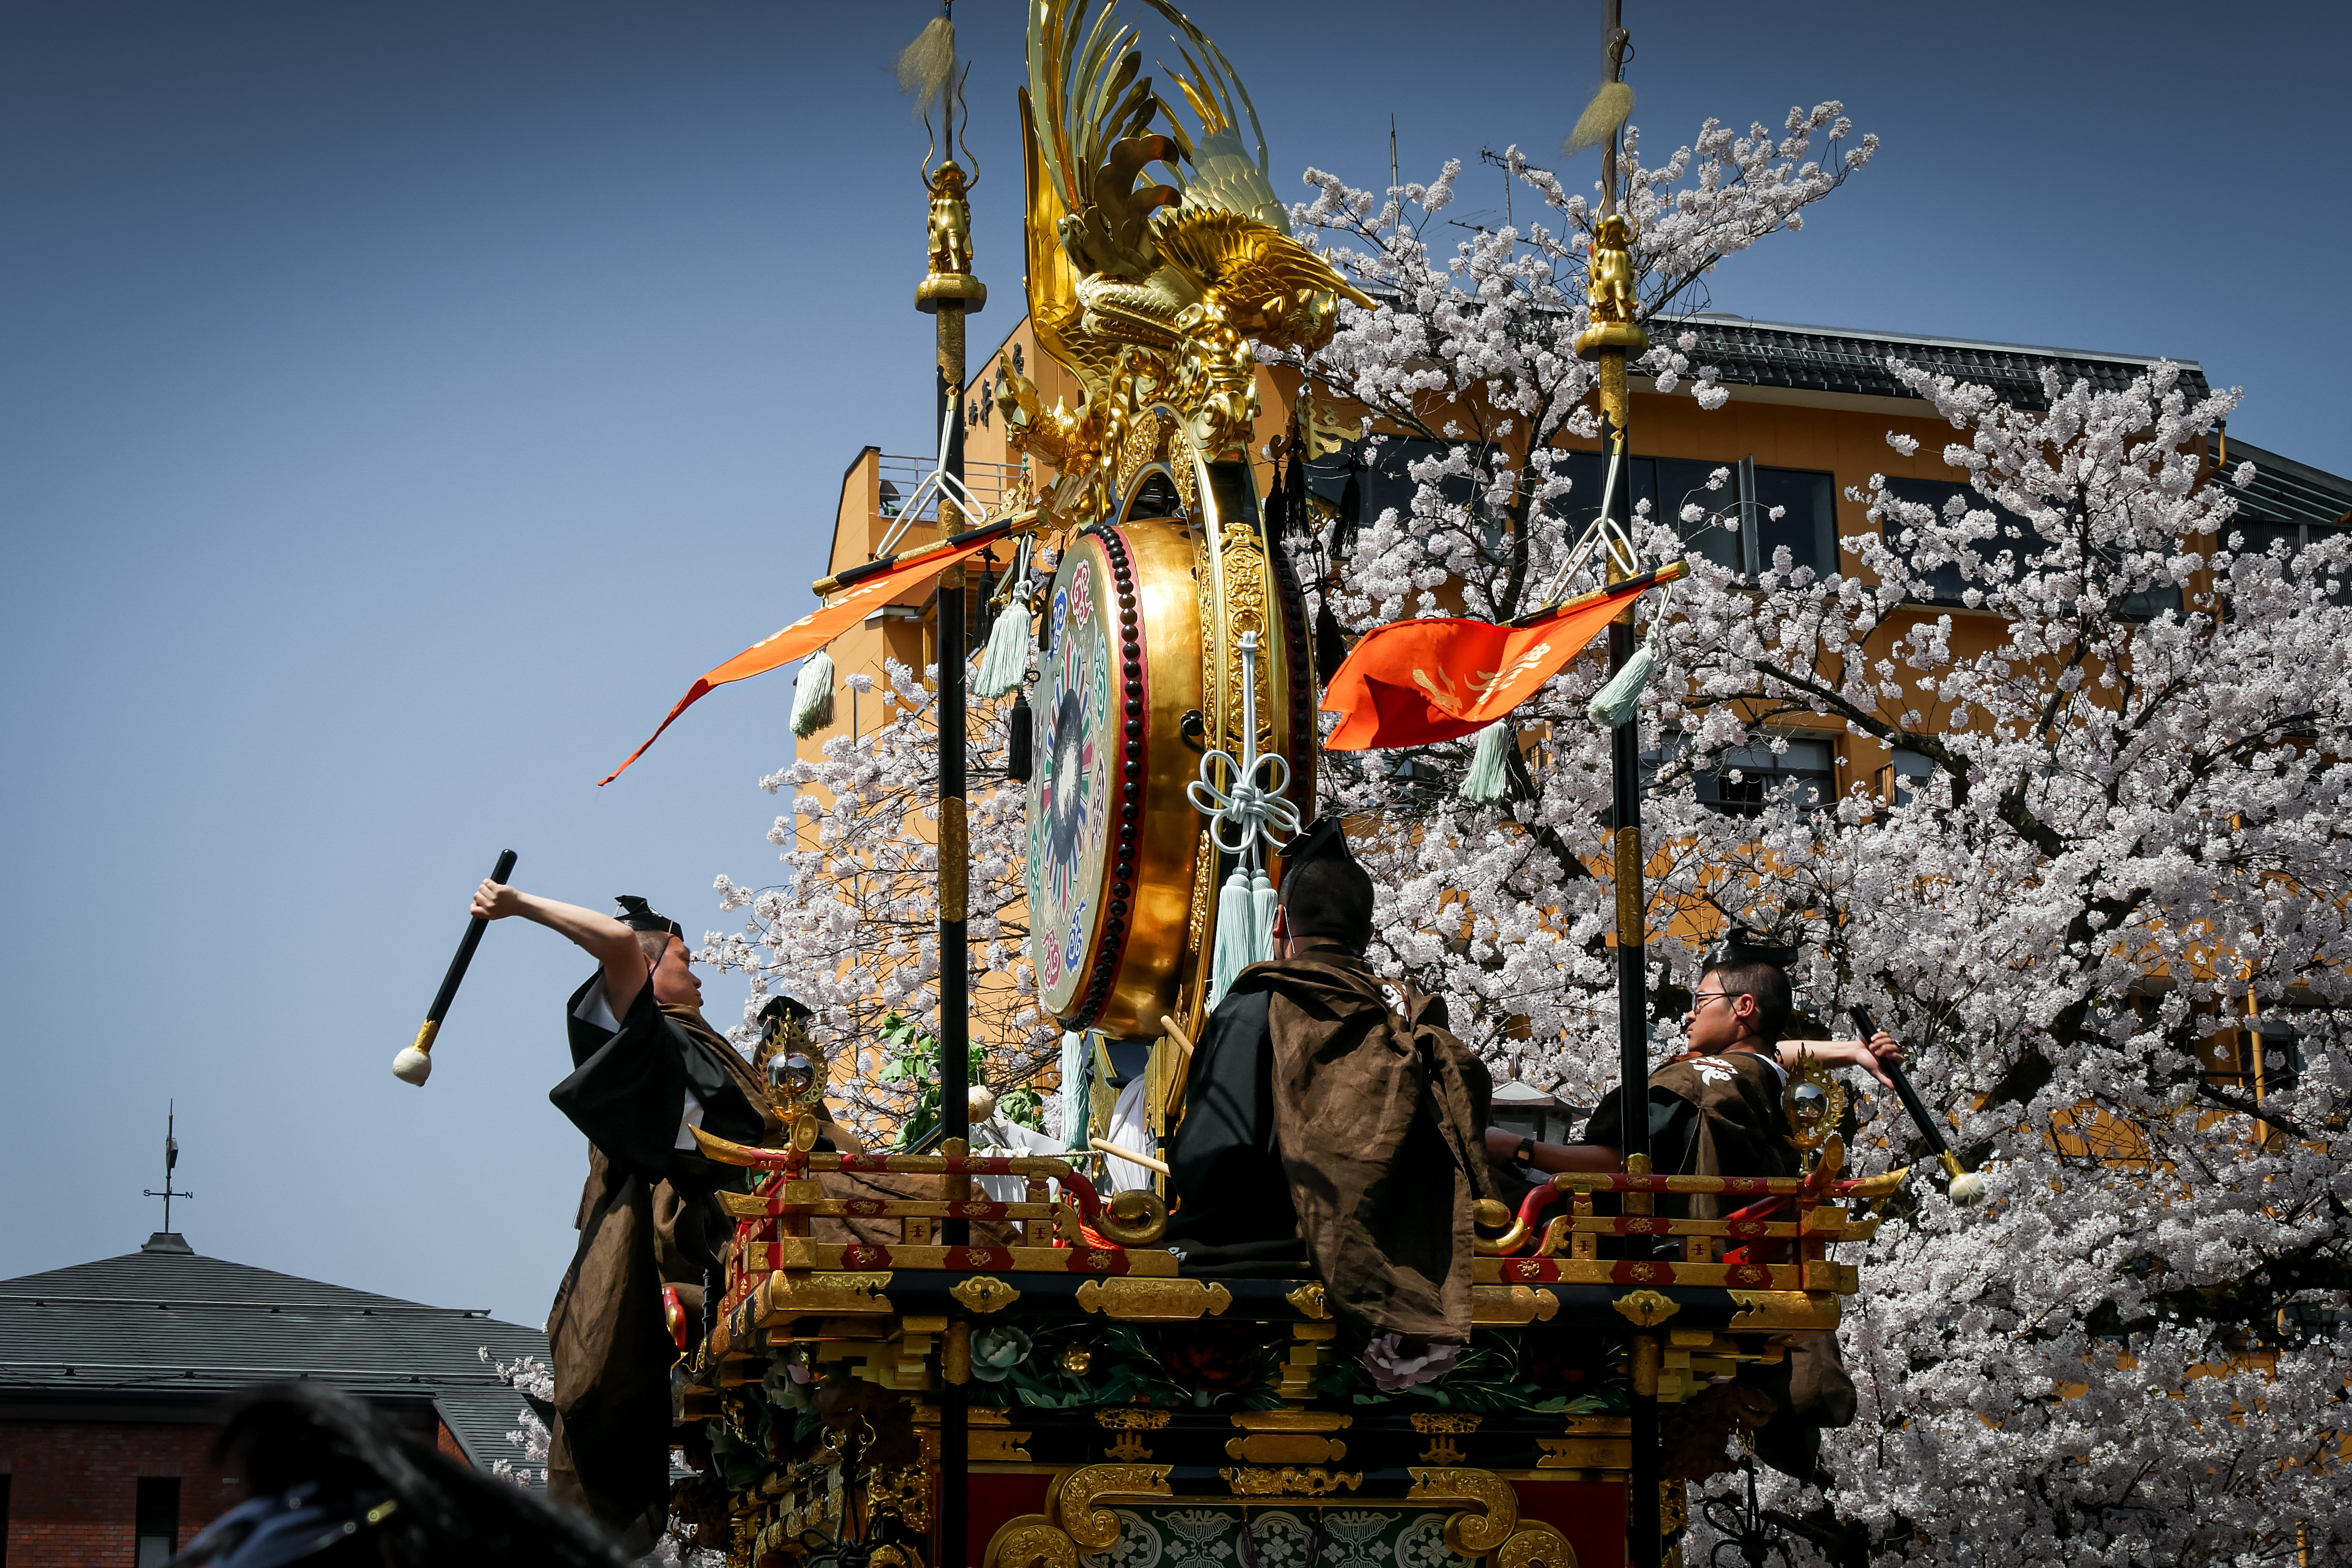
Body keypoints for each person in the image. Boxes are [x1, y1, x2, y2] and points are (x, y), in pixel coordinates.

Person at [1482, 931, 1897, 1481]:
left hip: (1662, 1256)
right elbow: (1770, 1052)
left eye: (1699, 1002)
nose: (1687, 1016)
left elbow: (1620, 1160)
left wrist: (1516, 1146)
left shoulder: (1698, 1080)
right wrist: (1849, 1051)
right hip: (1739, 1266)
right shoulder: (1762, 1080)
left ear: (1742, 1007)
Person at [470, 883, 786, 1545]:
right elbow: (616, 943)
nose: (698, 972)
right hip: (706, 1240)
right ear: (648, 969)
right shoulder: (638, 1037)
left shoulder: (693, 1040)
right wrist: (517, 904)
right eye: (685, 957)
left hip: (763, 1223)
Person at [1165, 820, 1500, 1367]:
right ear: (1367, 936)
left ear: (1280, 925)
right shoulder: (1401, 1030)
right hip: (1387, 1271)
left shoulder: (1256, 1007)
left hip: (1259, 1259)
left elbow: (1214, 1156)